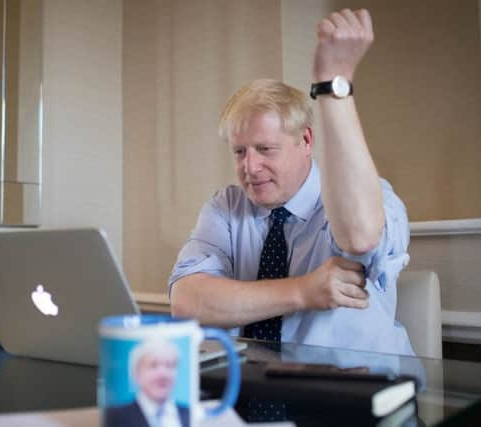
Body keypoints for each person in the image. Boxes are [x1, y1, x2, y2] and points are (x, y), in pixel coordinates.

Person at [169, 9, 414, 355]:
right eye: (240, 151)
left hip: (355, 398)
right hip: (250, 391)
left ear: (307, 141)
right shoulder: (226, 206)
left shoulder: (364, 196)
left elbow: (359, 237)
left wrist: (333, 84)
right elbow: (187, 301)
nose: (250, 167)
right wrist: (304, 291)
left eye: (266, 149)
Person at [105, 339, 190, 427]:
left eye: (169, 365)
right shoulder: (115, 417)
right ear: (136, 374)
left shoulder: (190, 414)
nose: (163, 373)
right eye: (153, 365)